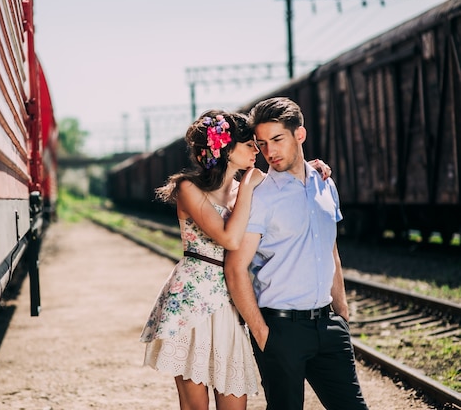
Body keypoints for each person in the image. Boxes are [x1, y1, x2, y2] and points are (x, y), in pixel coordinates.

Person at [140, 110, 331, 410]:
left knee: (234, 402)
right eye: (250, 144)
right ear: (227, 149)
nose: (258, 150)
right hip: (193, 303)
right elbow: (228, 238)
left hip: (231, 304)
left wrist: (311, 169)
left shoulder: (250, 186)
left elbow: (288, 186)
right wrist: (248, 187)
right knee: (195, 406)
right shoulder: (189, 188)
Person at [223, 97, 369, 410]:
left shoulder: (326, 185)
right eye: (261, 144)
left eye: (277, 139)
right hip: (282, 330)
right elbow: (235, 268)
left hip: (329, 327)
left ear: (299, 135)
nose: (269, 152)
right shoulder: (260, 197)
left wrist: (341, 315)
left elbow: (330, 250)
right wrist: (263, 334)